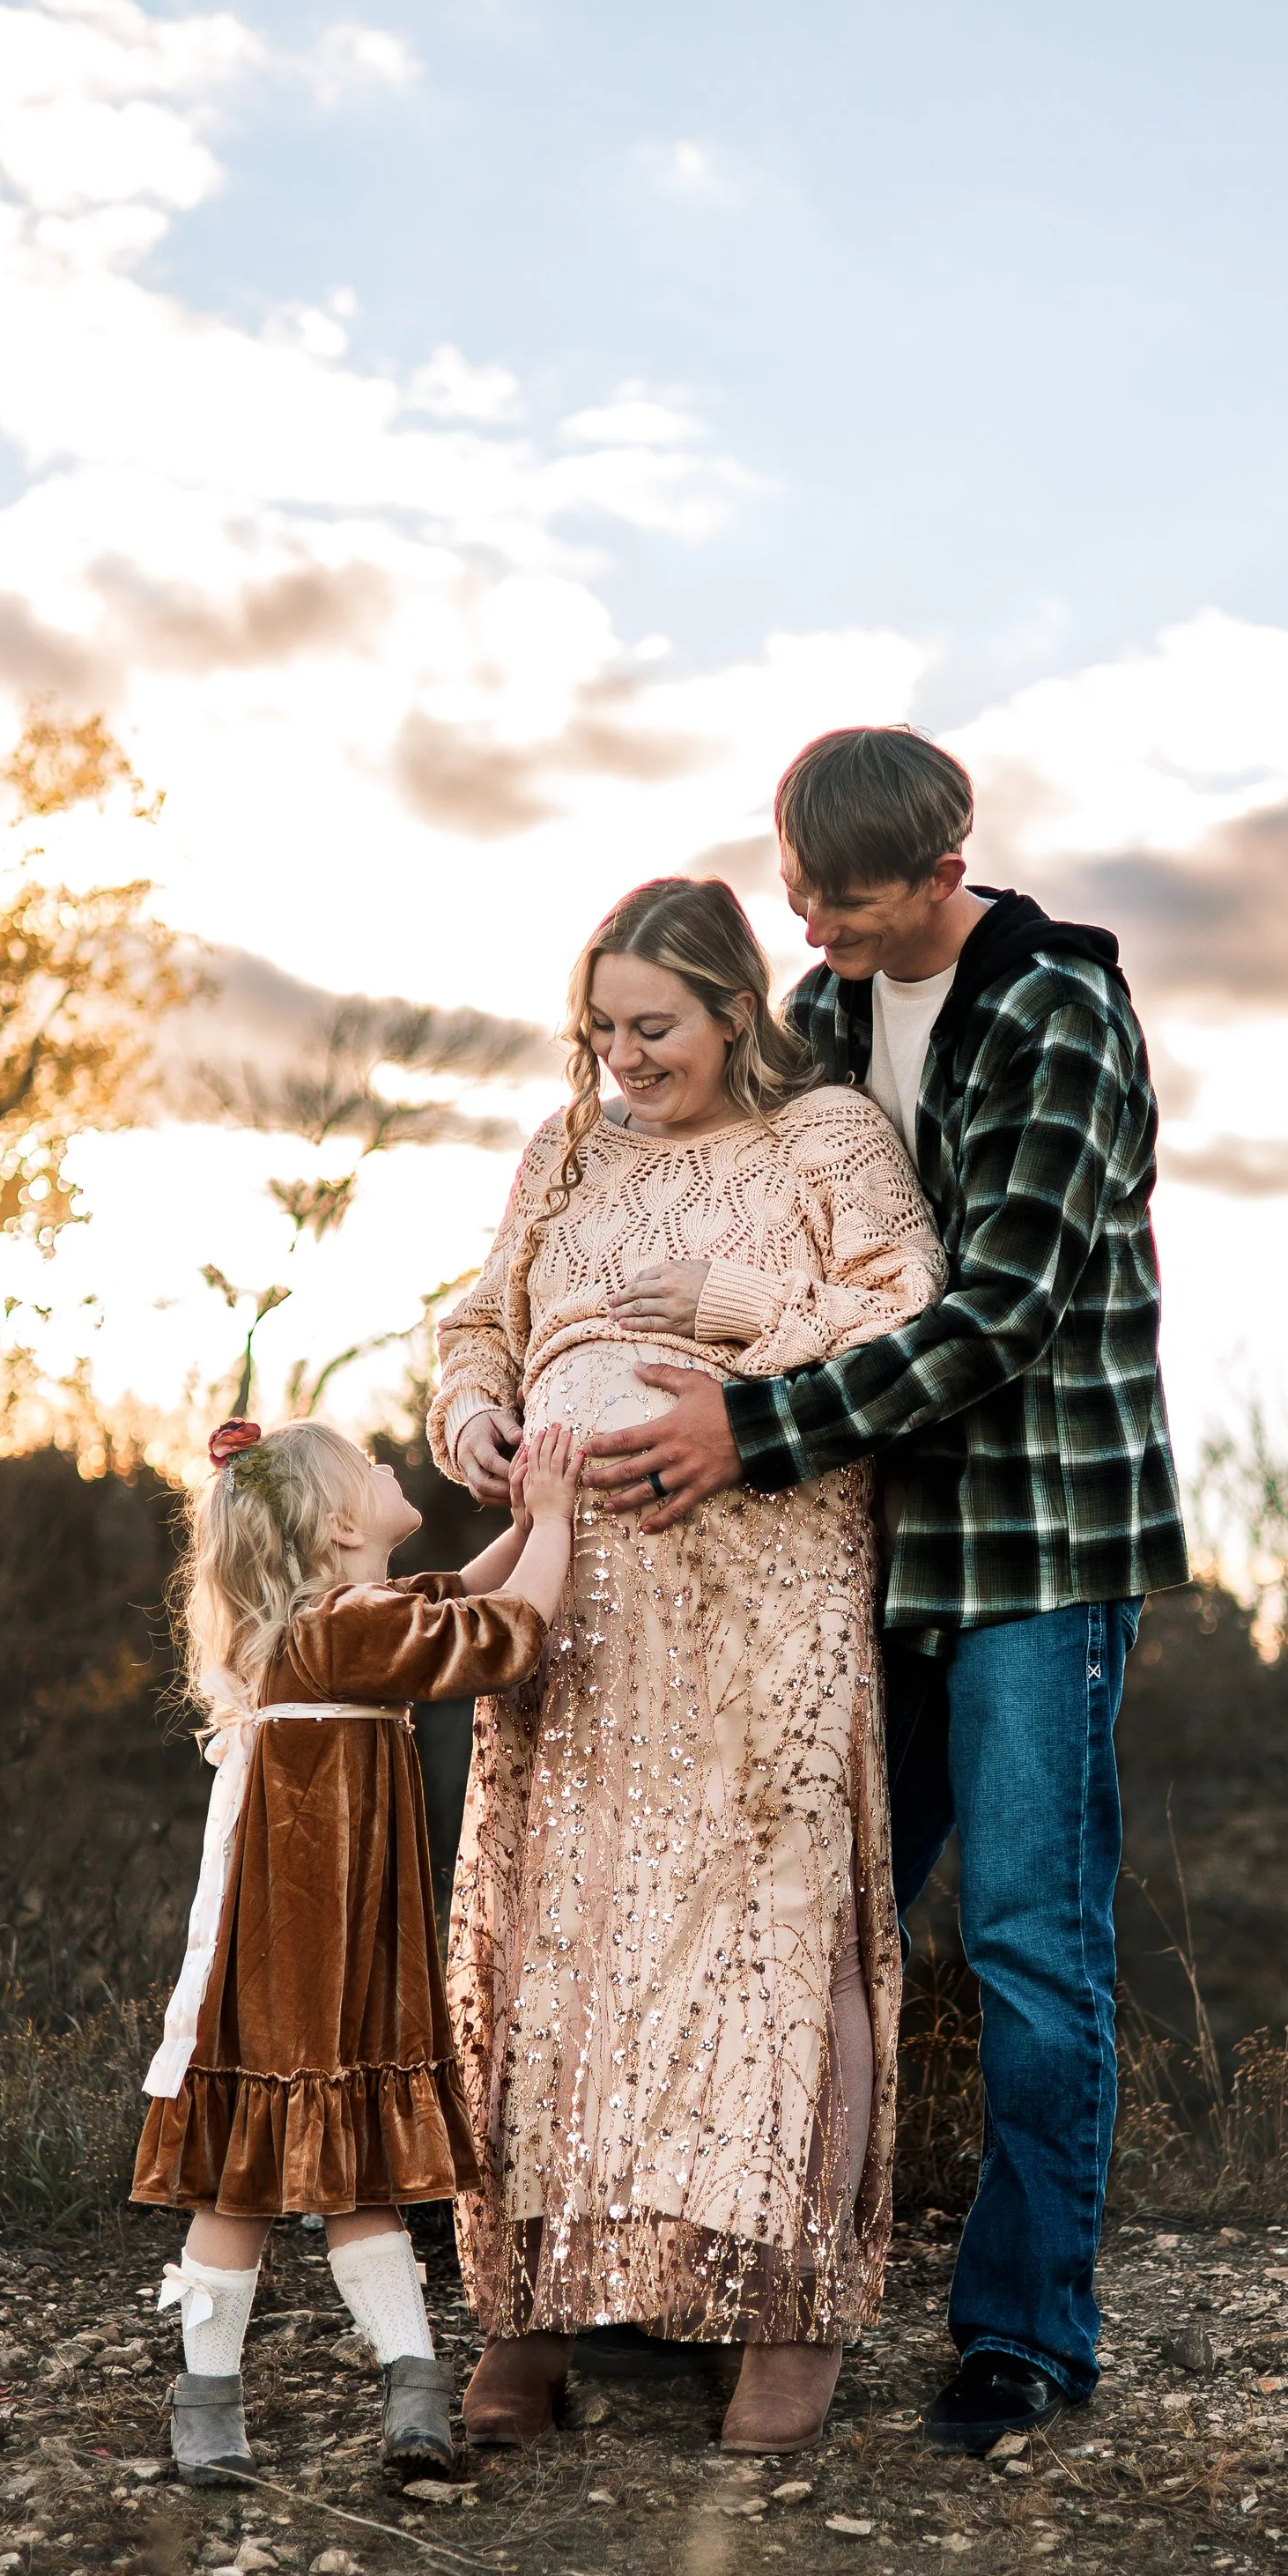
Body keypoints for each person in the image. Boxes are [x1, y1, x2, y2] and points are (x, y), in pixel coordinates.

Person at [588, 729, 1188, 2454]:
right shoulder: (830, 1019)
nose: (815, 933)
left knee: (1021, 1943)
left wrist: (755, 1428)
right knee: (793, 1927)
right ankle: (722, 2285)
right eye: (796, 901)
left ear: (943, 871)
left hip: (1033, 1546)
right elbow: (721, 1208)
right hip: (863, 1545)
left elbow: (999, 1318)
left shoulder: (1055, 1013)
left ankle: (1021, 2337)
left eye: (845, 906)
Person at [430, 876, 944, 2454]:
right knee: (564, 1924)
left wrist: (740, 1309)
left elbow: (909, 1309)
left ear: (737, 1009)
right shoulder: (567, 1149)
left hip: (764, 1584)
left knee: (768, 1915)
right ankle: (535, 2305)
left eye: (653, 1027)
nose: (623, 1059)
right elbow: (477, 1319)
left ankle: (784, 2316)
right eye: (600, 1030)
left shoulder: (829, 1136)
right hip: (574, 1601)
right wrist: (475, 1418)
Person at [130, 1411, 582, 2484]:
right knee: (254, 2191)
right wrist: (557, 1521)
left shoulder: (340, 1622)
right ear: (341, 1525)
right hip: (305, 1966)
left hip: (313, 1963)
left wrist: (519, 1525)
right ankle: (221, 2406)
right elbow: (503, 1636)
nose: (393, 1466)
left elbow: (450, 1600)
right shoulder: (341, 1633)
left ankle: (403, 2398)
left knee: (321, 2185)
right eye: (372, 1468)